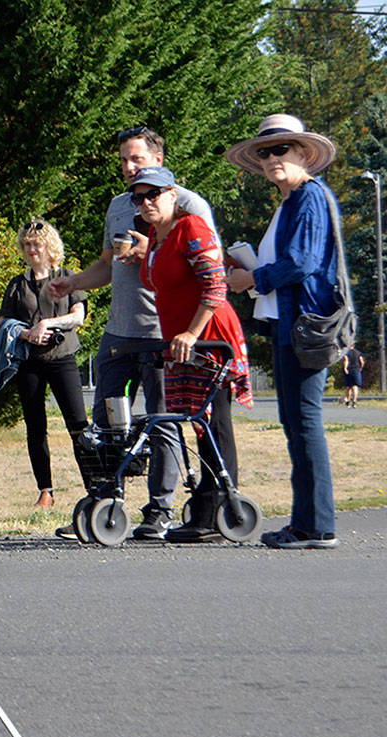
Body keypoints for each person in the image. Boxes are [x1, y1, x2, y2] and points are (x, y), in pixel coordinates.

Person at [51, 127, 216, 540]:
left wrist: (152, 253)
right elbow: (108, 265)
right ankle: (104, 508)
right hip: (119, 332)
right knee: (107, 424)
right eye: (123, 159)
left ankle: (159, 512)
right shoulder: (118, 206)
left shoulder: (188, 204)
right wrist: (73, 284)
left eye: (136, 159)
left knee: (162, 423)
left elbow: (212, 270)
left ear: (158, 160)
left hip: (165, 333)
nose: (128, 168)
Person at [225, 115, 341, 548]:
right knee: (296, 422)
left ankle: (317, 526)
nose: (272, 158)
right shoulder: (291, 202)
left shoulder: (309, 196)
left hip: (305, 326)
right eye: (265, 152)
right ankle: (308, 523)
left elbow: (302, 263)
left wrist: (252, 279)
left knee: (304, 422)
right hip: (290, 325)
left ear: (304, 154)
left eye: (282, 149)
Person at [130, 166, 251, 543]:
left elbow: (216, 287)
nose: (146, 202)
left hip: (209, 337)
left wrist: (191, 333)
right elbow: (159, 283)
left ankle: (217, 512)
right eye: (139, 196)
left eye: (154, 194)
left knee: (215, 424)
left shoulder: (192, 227)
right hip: (182, 343)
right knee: (199, 424)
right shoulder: (156, 236)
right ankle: (204, 507)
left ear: (173, 194)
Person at [0, 219, 88, 515]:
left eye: (37, 244)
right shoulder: (17, 284)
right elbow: (3, 321)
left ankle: (94, 486)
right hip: (29, 363)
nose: (32, 249)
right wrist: (26, 333)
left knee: (78, 426)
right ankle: (45, 491)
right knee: (36, 428)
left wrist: (49, 323)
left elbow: (78, 316)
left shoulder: (66, 277)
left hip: (63, 358)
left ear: (50, 247)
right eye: (27, 245)